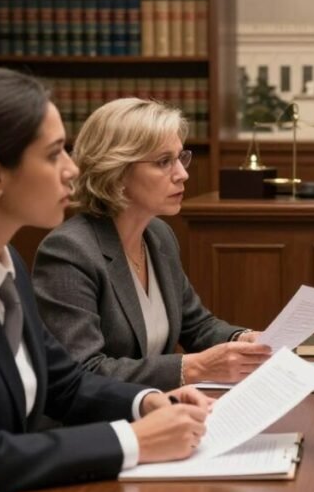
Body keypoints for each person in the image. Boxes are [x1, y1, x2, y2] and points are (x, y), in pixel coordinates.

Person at [0, 67, 212, 492]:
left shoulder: (4, 258)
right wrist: (134, 440)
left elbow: (66, 384)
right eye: (54, 155)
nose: (73, 170)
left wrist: (144, 403)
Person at [33, 98, 271, 390]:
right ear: (116, 171)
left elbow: (197, 325)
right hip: (98, 427)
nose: (182, 174)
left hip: (157, 413)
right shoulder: (69, 251)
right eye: (163, 162)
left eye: (181, 158)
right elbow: (82, 370)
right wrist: (193, 367)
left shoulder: (158, 235)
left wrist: (243, 339)